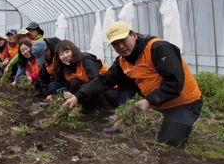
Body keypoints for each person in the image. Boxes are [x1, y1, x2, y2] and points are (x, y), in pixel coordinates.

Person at [64, 21, 202, 146]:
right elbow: (104, 80)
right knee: (123, 81)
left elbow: (175, 82)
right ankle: (123, 121)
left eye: (123, 40)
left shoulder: (158, 48)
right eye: (115, 44)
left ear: (134, 35)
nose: (121, 46)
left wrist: (149, 101)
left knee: (169, 142)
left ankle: (179, 121)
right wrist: (78, 96)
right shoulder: (123, 60)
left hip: (184, 103)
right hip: (158, 101)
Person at [53, 40, 117, 112]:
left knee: (90, 88)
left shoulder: (86, 60)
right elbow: (63, 84)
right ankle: (87, 109)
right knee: (74, 83)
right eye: (61, 54)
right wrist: (66, 93)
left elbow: (96, 82)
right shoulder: (64, 67)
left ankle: (107, 112)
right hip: (88, 90)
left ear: (74, 51)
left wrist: (77, 95)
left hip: (108, 89)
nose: (65, 56)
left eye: (67, 52)